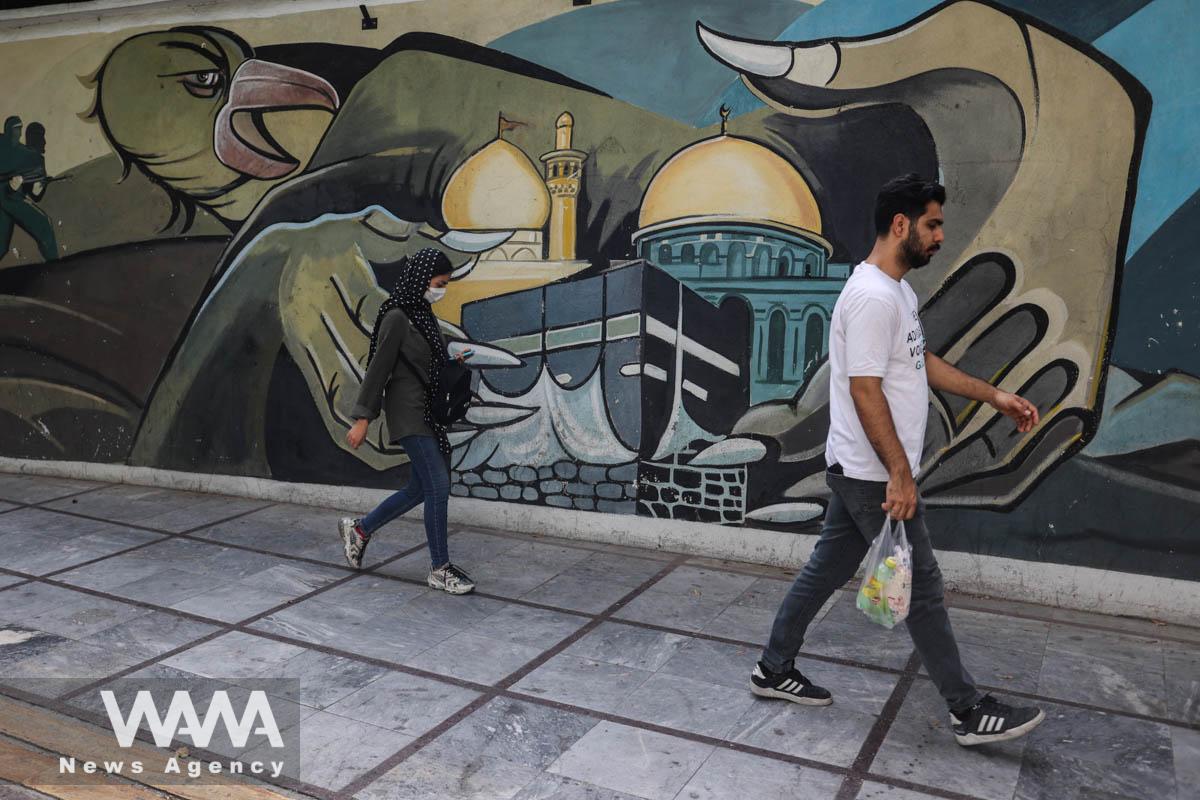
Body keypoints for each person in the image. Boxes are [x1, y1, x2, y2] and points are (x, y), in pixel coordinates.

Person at [750, 174, 1046, 747]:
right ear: (902, 225)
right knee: (923, 588)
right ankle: (967, 710)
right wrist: (900, 475)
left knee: (828, 569)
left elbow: (918, 362)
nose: (939, 236)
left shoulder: (898, 294)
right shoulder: (869, 298)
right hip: (871, 475)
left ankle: (772, 667)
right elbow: (864, 390)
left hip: (865, 470)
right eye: (933, 224)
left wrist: (992, 395)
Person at [337, 247, 476, 594]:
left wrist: (454, 358)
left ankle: (361, 530)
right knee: (438, 486)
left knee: (419, 488)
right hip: (407, 414)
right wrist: (363, 418)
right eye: (438, 283)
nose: (440, 289)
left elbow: (430, 358)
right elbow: (378, 367)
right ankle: (440, 568)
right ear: (421, 278)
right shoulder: (396, 316)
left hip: (427, 412)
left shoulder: (423, 315)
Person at [0, 116, 58, 263]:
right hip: (7, 197)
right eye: (15, 129)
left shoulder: (37, 160)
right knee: (43, 224)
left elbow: (35, 195)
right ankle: (55, 266)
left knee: (1, 245)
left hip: (13, 200)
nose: (43, 141)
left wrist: (41, 185)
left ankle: (55, 265)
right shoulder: (14, 150)